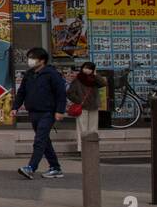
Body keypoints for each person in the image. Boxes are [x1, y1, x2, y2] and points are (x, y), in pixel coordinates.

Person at [14, 47, 67, 179]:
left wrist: (60, 110)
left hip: (48, 112)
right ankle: (55, 167)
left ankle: (31, 167)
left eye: (33, 58)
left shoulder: (52, 74)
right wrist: (15, 107)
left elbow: (61, 93)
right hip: (33, 112)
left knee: (39, 140)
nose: (30, 60)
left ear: (42, 60)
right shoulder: (29, 74)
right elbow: (21, 92)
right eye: (29, 57)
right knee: (44, 140)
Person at [66, 61, 107, 154]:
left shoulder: (94, 79)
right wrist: (79, 101)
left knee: (93, 129)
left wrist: (96, 74)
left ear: (93, 70)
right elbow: (69, 93)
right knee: (82, 128)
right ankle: (81, 148)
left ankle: (92, 147)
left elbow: (104, 83)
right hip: (82, 108)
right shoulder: (78, 79)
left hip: (93, 106)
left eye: (89, 68)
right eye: (85, 67)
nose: (86, 70)